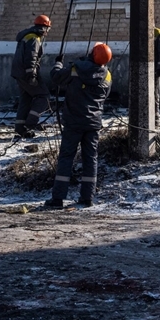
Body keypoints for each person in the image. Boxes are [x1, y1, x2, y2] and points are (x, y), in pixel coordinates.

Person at [44, 43, 113, 209]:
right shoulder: (107, 76)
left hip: (74, 122)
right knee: (90, 159)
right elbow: (105, 95)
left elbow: (56, 77)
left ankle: (58, 198)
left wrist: (58, 63)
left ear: (92, 53)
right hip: (93, 124)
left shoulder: (76, 69)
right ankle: (87, 198)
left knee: (66, 157)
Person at [10, 15, 51, 139]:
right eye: (47, 29)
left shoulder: (27, 36)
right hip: (26, 73)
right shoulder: (34, 38)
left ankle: (20, 128)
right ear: (43, 28)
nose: (47, 32)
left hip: (19, 73)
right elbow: (31, 57)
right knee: (43, 96)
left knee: (26, 98)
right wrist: (31, 75)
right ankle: (30, 124)